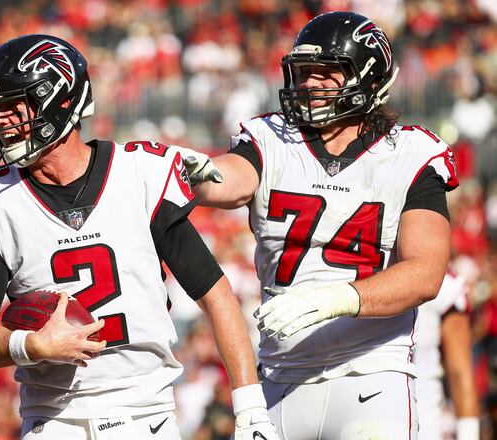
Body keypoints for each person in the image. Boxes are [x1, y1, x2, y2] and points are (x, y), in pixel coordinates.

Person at [0, 34, 278, 440]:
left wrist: (250, 410)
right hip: (53, 421)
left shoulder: (140, 174)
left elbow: (216, 295)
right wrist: (31, 345)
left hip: (145, 416)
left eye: (12, 107)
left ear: (60, 100)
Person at [179, 11, 459, 438]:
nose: (309, 83)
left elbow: (425, 273)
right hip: (279, 377)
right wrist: (198, 174)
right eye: (304, 72)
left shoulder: (411, 155)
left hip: (371, 374)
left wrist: (333, 299)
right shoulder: (273, 139)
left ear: (369, 77)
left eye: (325, 72)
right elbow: (230, 181)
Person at [416, 273, 479, 439]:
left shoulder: (445, 286)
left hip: (423, 424)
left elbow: (460, 373)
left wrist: (469, 434)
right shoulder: (357, 272)